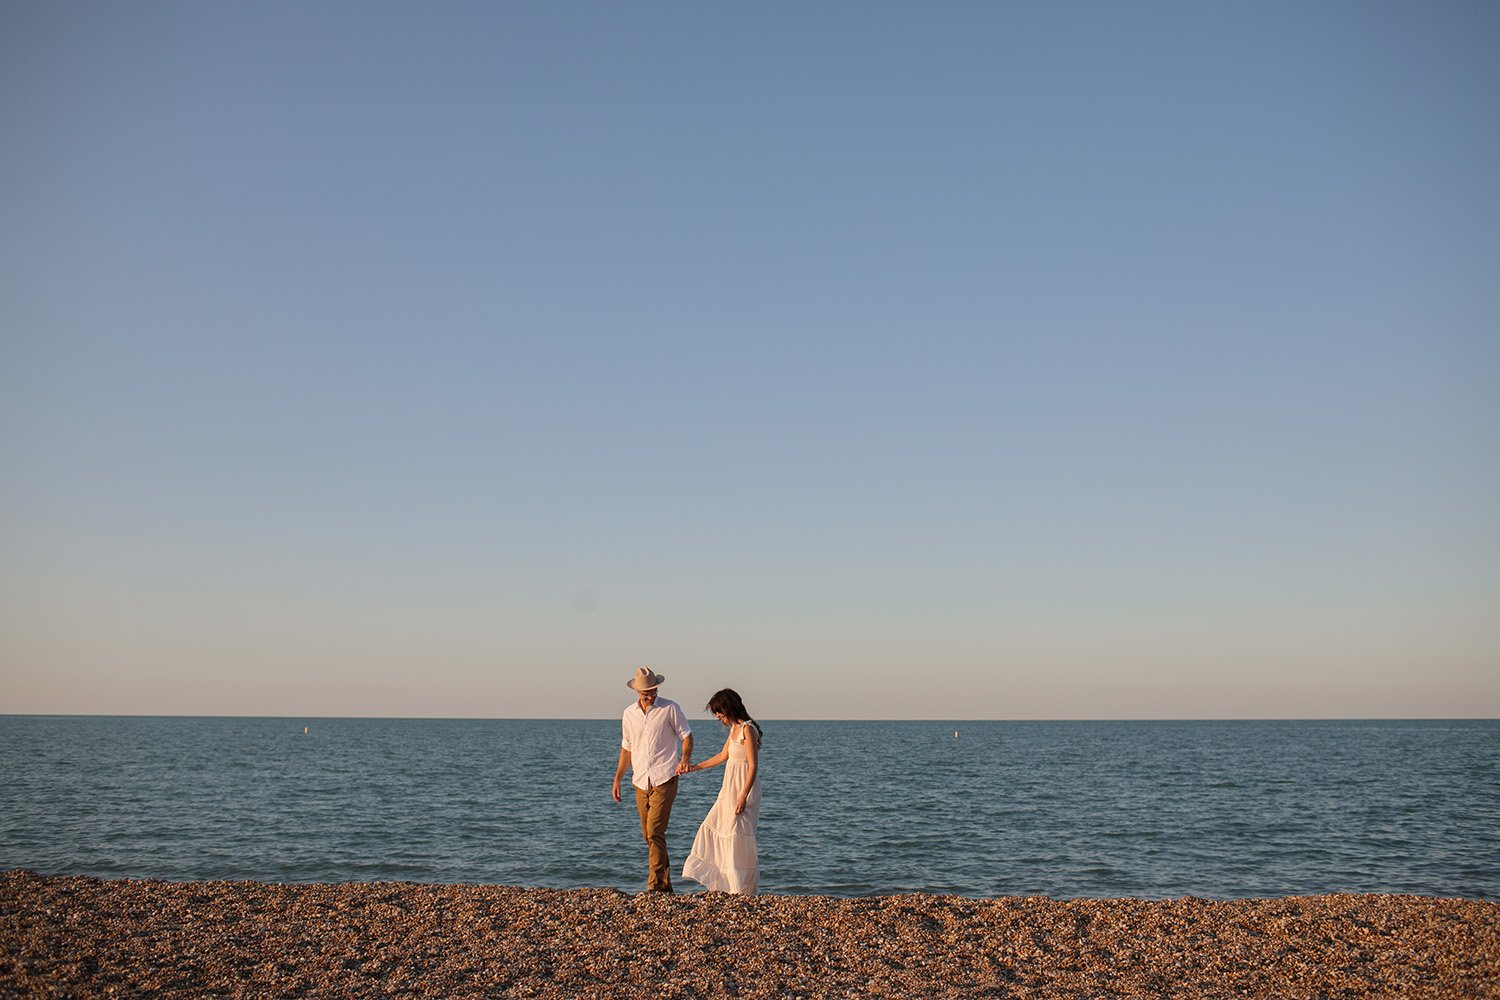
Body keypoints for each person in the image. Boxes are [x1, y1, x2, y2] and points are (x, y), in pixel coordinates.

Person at [612, 667, 693, 892]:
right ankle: (665, 885)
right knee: (648, 834)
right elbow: (626, 748)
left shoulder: (670, 708)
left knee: (655, 830)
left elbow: (687, 736)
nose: (651, 695)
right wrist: (617, 779)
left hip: (665, 776)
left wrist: (685, 758)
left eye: (654, 690)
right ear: (637, 692)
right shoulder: (629, 714)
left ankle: (654, 887)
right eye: (646, 692)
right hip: (640, 780)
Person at [681, 688, 762, 894]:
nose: (718, 716)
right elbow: (721, 756)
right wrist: (694, 767)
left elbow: (753, 766)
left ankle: (740, 888)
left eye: (719, 712)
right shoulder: (734, 730)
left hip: (743, 788)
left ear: (728, 708)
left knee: (737, 834)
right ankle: (727, 885)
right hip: (728, 789)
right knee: (715, 826)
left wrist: (743, 796)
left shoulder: (747, 729)